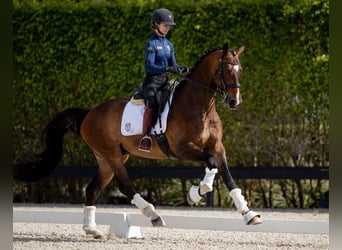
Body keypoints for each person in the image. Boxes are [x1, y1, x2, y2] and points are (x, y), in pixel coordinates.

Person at [138, 8, 188, 152]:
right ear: (156, 24)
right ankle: (146, 136)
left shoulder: (169, 45)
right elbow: (149, 67)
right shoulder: (151, 44)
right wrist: (166, 69)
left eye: (169, 26)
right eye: (165, 25)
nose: (167, 28)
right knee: (153, 102)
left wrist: (180, 69)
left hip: (165, 82)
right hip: (152, 83)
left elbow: (174, 64)